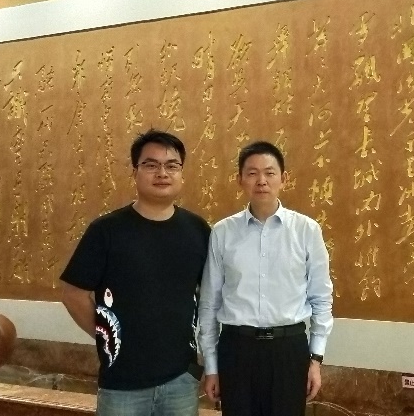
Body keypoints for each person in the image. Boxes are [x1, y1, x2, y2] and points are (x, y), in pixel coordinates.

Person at [60, 129, 211, 416]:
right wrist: (107, 337)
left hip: (181, 378)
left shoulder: (197, 230)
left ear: (182, 173)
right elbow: (73, 294)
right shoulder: (106, 231)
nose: (162, 173)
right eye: (151, 165)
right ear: (135, 172)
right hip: (122, 383)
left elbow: (210, 297)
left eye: (172, 165)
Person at [198, 140, 334, 416]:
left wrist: (316, 359)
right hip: (237, 349)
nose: (261, 181)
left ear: (284, 179)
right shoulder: (223, 232)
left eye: (270, 173)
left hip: (288, 350)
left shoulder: (306, 230)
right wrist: (211, 367)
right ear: (240, 180)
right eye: (252, 173)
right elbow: (209, 303)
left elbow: (321, 298)